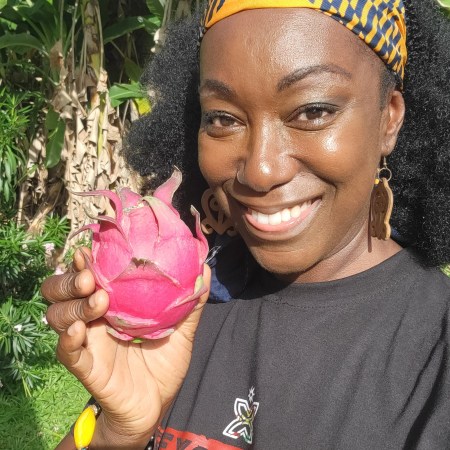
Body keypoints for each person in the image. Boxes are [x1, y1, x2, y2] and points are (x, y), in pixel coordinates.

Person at [42, 0, 450, 448]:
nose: (259, 170)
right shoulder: (186, 303)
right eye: (223, 118)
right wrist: (116, 434)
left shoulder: (436, 350)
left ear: (389, 117)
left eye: (312, 111)